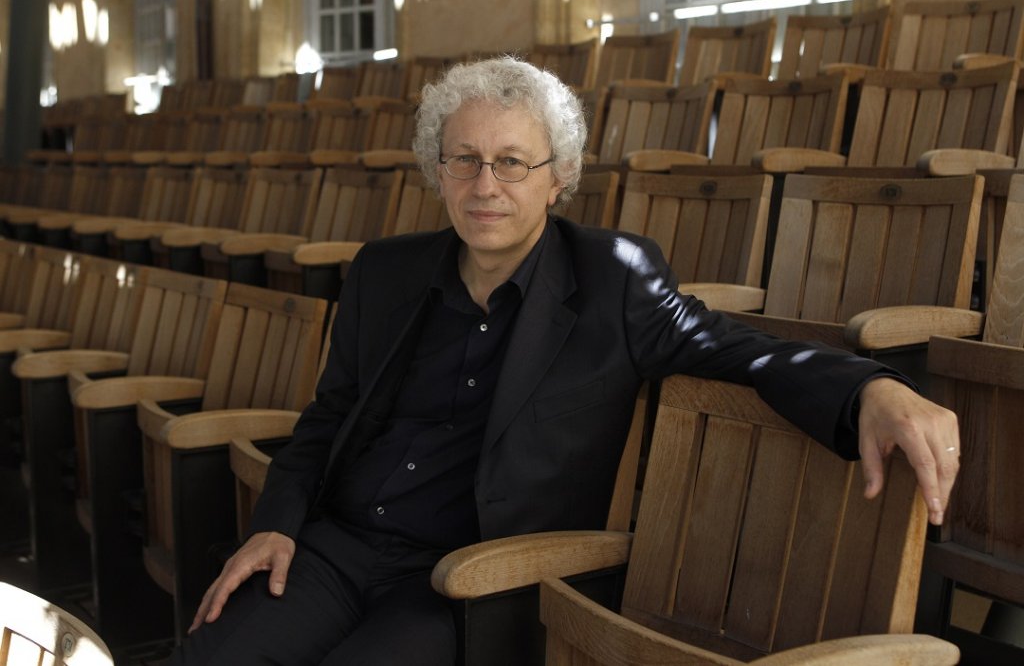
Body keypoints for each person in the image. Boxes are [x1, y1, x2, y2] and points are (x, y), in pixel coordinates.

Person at [172, 57, 959, 665]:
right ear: (436, 169)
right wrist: (274, 525)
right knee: (214, 650)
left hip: (472, 576)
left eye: (512, 162)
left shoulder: (616, 278)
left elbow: (738, 349)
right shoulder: (385, 270)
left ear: (559, 178)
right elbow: (328, 418)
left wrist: (872, 388)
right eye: (465, 159)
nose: (487, 185)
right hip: (336, 548)